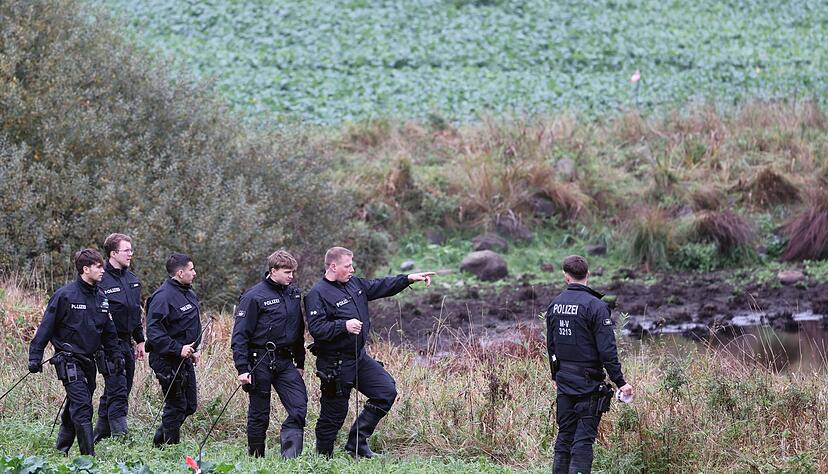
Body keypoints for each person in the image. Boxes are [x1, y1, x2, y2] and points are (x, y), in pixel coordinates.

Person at [305, 246, 434, 458]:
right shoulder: (316, 294)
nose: (352, 269)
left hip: (358, 358)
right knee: (334, 415)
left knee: (385, 392)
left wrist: (408, 278)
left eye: (351, 265)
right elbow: (317, 329)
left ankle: (357, 444)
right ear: (333, 266)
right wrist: (343, 326)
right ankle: (323, 459)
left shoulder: (354, 284)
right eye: (348, 266)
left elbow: (380, 285)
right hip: (334, 364)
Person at [546, 255, 634, 474]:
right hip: (588, 385)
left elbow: (551, 346)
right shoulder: (596, 306)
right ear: (588, 274)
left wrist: (555, 376)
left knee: (565, 436)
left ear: (566, 276)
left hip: (564, 382)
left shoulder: (555, 305)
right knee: (583, 440)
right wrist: (620, 382)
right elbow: (607, 350)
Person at [28, 249, 120, 456]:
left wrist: (116, 356)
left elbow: (108, 332)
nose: (102, 270)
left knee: (77, 403)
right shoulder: (64, 295)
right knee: (82, 406)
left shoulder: (102, 298)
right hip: (68, 360)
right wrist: (35, 356)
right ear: (85, 269)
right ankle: (89, 459)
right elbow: (46, 328)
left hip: (90, 361)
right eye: (98, 266)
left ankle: (61, 450)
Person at [232, 250, 307, 459]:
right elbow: (239, 336)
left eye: (293, 272)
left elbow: (298, 330)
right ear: (273, 271)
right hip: (259, 360)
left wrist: (300, 362)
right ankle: (256, 458)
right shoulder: (253, 296)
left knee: (299, 405)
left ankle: (290, 456)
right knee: (259, 413)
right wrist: (242, 368)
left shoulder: (294, 294)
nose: (291, 276)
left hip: (285, 360)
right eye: (287, 272)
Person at [93, 233, 145, 442]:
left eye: (131, 250)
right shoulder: (100, 279)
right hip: (107, 345)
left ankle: (98, 436)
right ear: (113, 253)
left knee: (122, 388)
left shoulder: (132, 280)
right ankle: (121, 439)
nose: (131, 254)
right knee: (117, 389)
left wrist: (140, 340)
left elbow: (135, 313)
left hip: (127, 342)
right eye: (127, 250)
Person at [146, 253, 202, 447]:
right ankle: (169, 449)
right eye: (191, 269)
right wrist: (178, 348)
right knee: (176, 406)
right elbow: (153, 332)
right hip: (166, 359)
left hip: (184, 358)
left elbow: (186, 325)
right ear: (180, 273)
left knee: (189, 405)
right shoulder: (163, 297)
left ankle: (159, 442)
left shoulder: (187, 292)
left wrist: (192, 350)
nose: (194, 273)